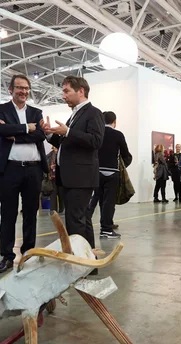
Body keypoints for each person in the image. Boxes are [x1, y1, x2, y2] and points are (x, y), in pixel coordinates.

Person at [42, 76, 104, 270]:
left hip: (81, 177)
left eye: (67, 91)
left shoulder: (93, 113)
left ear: (81, 91)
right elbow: (65, 143)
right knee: (81, 219)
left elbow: (95, 141)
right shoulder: (76, 114)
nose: (63, 95)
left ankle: (81, 264)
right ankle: (88, 262)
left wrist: (68, 132)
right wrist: (51, 134)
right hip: (72, 176)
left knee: (75, 220)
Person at [0, 75, 48, 274]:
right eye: (19, 88)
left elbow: (41, 134)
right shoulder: (0, 110)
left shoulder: (36, 111)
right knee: (8, 214)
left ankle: (29, 253)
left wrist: (15, 135)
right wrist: (26, 128)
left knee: (31, 213)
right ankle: (7, 256)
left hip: (33, 169)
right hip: (10, 169)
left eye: (26, 88)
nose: (24, 92)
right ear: (10, 89)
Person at [88, 111, 132, 239]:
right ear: (115, 121)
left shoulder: (97, 134)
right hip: (112, 172)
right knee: (108, 202)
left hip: (96, 172)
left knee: (95, 198)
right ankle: (106, 229)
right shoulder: (118, 134)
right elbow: (126, 154)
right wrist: (122, 167)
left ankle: (86, 224)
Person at [47, 146, 65, 213]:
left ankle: (61, 209)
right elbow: (45, 163)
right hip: (52, 177)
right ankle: (53, 210)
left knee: (61, 193)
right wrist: (50, 167)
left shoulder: (62, 154)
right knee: (53, 194)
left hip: (61, 176)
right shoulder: (50, 155)